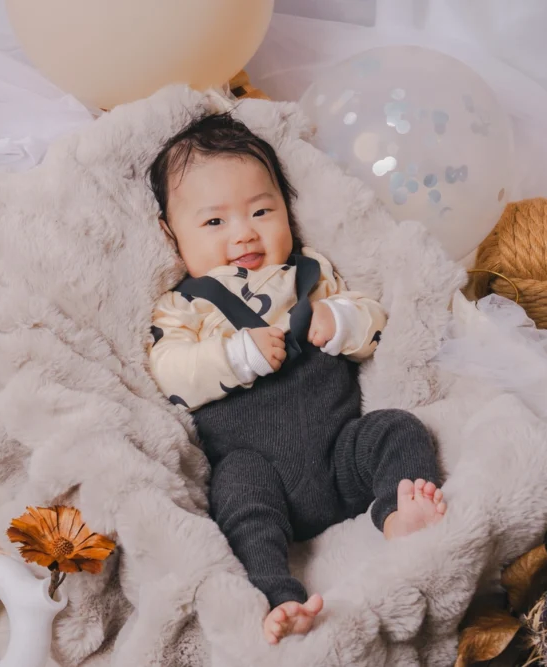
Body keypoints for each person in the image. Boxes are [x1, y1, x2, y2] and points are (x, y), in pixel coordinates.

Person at [146, 112, 446, 644]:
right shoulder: (184, 306)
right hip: (259, 472)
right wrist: (234, 356)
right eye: (214, 223)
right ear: (172, 235)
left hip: (339, 452)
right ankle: (276, 593)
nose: (244, 233)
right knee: (237, 499)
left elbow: (375, 325)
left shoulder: (310, 273)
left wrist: (341, 319)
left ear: (287, 208)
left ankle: (398, 512)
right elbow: (171, 373)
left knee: (397, 428)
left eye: (262, 211)